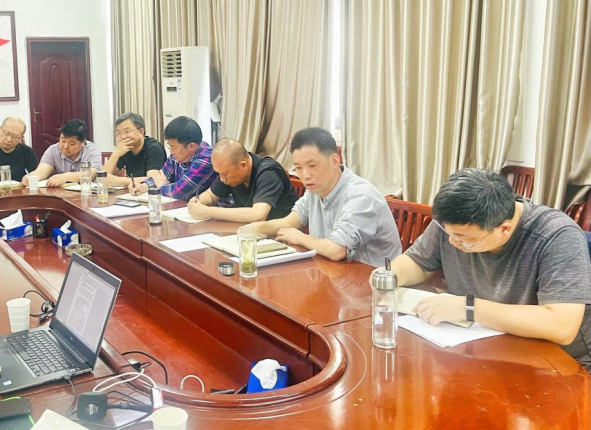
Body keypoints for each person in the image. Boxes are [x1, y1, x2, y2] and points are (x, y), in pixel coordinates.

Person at [377, 168, 591, 373]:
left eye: (464, 239)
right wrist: (390, 275)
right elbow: (418, 262)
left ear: (504, 230)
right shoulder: (455, 224)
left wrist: (469, 308)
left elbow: (562, 326)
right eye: (449, 233)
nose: (452, 242)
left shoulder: (557, 236)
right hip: (480, 346)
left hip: (556, 363)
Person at [254, 128, 401, 267]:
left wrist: (301, 237)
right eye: (298, 168)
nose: (305, 175)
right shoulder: (314, 189)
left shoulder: (361, 196)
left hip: (370, 278)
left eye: (312, 166)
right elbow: (289, 222)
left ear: (334, 161)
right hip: (331, 271)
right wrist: (253, 228)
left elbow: (336, 250)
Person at [186, 138, 296, 223]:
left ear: (243, 165)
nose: (222, 179)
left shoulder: (268, 172)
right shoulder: (230, 171)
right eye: (219, 173)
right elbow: (211, 195)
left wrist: (208, 212)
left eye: (224, 174)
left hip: (281, 236)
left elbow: (258, 215)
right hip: (249, 231)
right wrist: (198, 201)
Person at [129, 116, 217, 201]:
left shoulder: (207, 158)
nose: (171, 151)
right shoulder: (177, 154)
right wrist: (143, 186)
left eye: (173, 146)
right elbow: (160, 176)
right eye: (170, 146)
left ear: (191, 146)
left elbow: (180, 192)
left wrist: (161, 186)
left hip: (205, 209)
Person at [23, 119, 102, 188]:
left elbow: (91, 174)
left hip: (85, 193)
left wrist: (66, 177)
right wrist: (31, 177)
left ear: (83, 143)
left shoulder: (92, 151)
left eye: (71, 143)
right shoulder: (53, 150)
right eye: (63, 141)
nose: (65, 147)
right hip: (61, 194)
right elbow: (42, 171)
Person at [102, 113, 166, 186]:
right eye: (119, 133)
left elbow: (153, 180)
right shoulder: (124, 149)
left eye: (127, 131)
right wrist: (115, 154)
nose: (122, 137)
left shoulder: (154, 148)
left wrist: (117, 181)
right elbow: (102, 178)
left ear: (141, 132)